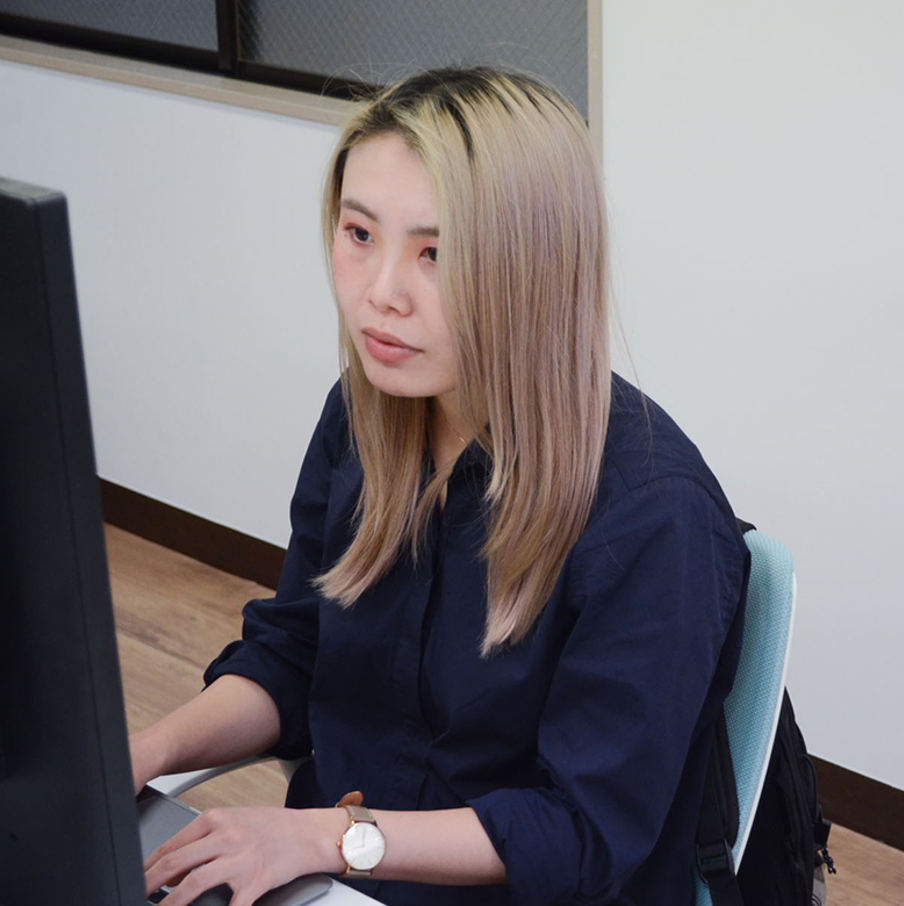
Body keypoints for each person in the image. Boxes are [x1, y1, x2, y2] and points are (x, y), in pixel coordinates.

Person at [131, 67, 748, 906]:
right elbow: (294, 655)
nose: (380, 294)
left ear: (535, 269)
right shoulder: (363, 416)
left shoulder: (654, 517)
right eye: (359, 233)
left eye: (437, 253)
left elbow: (581, 832)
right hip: (328, 877)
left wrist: (327, 838)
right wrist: (145, 752)